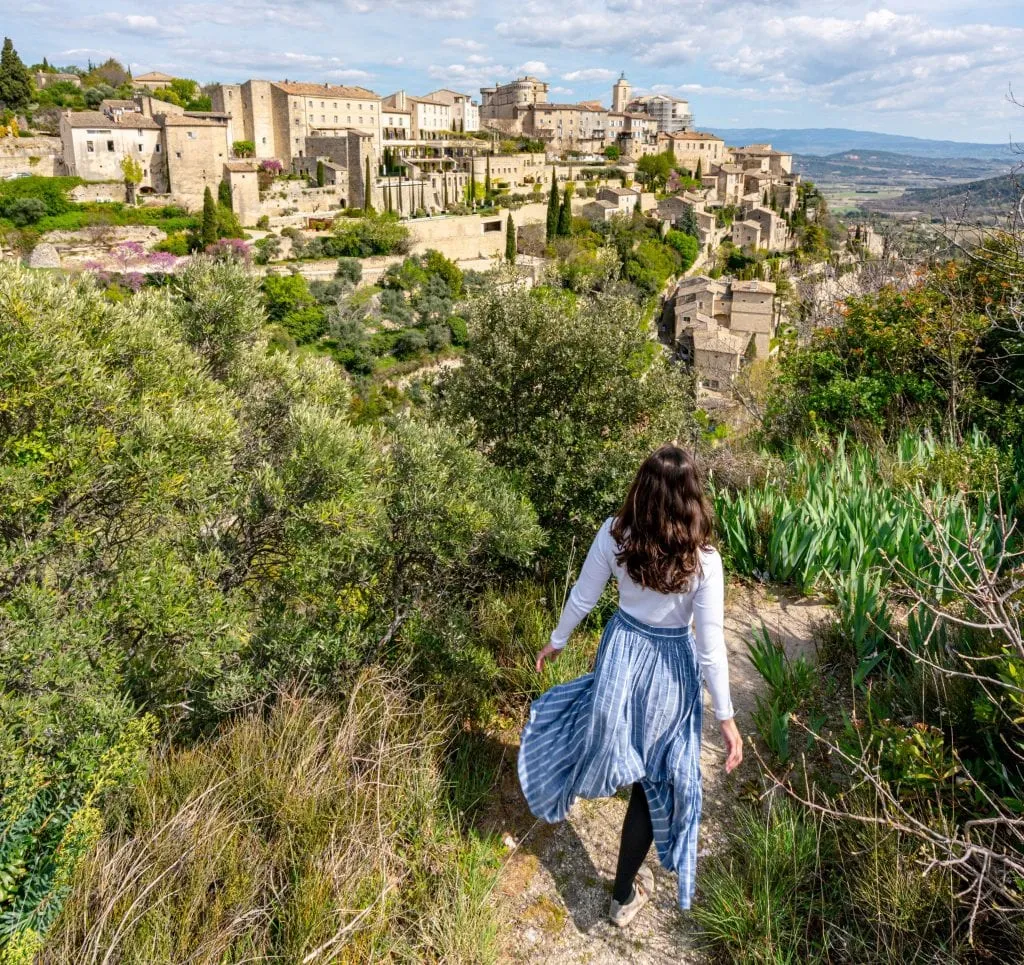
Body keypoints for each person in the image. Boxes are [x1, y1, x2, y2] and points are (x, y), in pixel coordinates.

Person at [517, 444, 742, 927]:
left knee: (588, 723)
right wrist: (725, 718)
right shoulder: (703, 561)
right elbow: (710, 649)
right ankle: (621, 897)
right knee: (651, 779)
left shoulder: (616, 534)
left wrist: (557, 642)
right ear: (692, 499)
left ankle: (562, 782)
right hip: (669, 669)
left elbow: (583, 595)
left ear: (641, 490)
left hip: (620, 654)